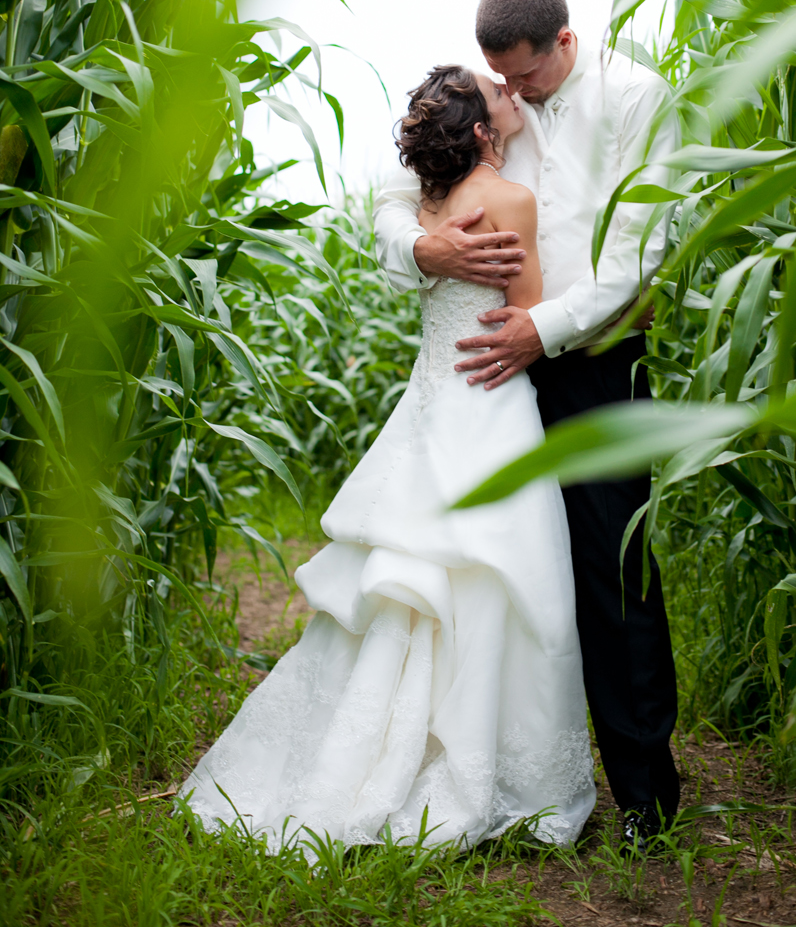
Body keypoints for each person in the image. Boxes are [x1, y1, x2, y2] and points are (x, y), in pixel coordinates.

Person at [180, 63, 596, 854]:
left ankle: (383, 752)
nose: (511, 95)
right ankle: (490, 769)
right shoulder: (509, 200)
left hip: (432, 400)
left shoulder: (431, 201)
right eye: (496, 93)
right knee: (501, 580)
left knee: (416, 581)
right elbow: (530, 314)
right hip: (494, 402)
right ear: (479, 132)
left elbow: (398, 213)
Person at [374, 0, 682, 850]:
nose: (516, 94)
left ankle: (645, 800)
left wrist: (539, 331)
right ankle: (506, 770)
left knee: (611, 573)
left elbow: (634, 259)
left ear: (563, 42)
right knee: (501, 572)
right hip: (491, 378)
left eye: (527, 76)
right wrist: (423, 246)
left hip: (589, 363)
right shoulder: (495, 100)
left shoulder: (635, 98)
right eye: (498, 77)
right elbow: (395, 196)